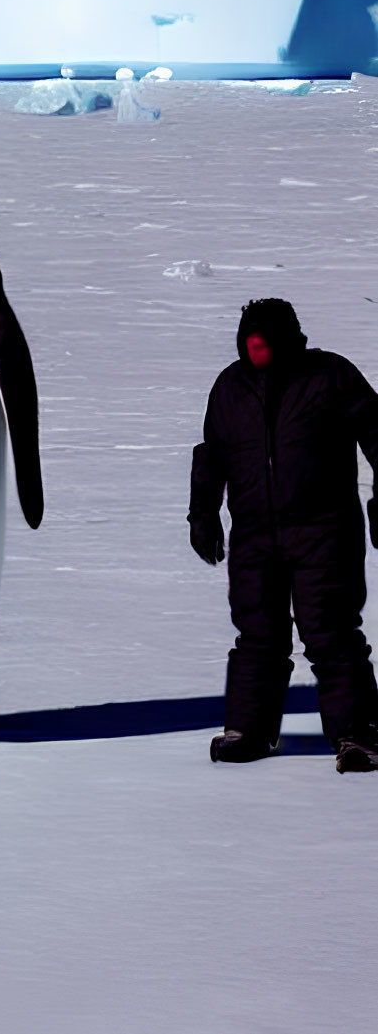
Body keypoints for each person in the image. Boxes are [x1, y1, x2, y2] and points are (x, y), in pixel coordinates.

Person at [189, 298, 378, 773]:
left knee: (331, 632)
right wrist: (203, 515)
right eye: (249, 340)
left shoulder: (330, 375)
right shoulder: (230, 387)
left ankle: (357, 735)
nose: (256, 348)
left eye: (266, 339)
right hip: (254, 535)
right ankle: (249, 731)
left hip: (325, 531)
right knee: (257, 635)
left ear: (290, 338)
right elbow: (212, 454)